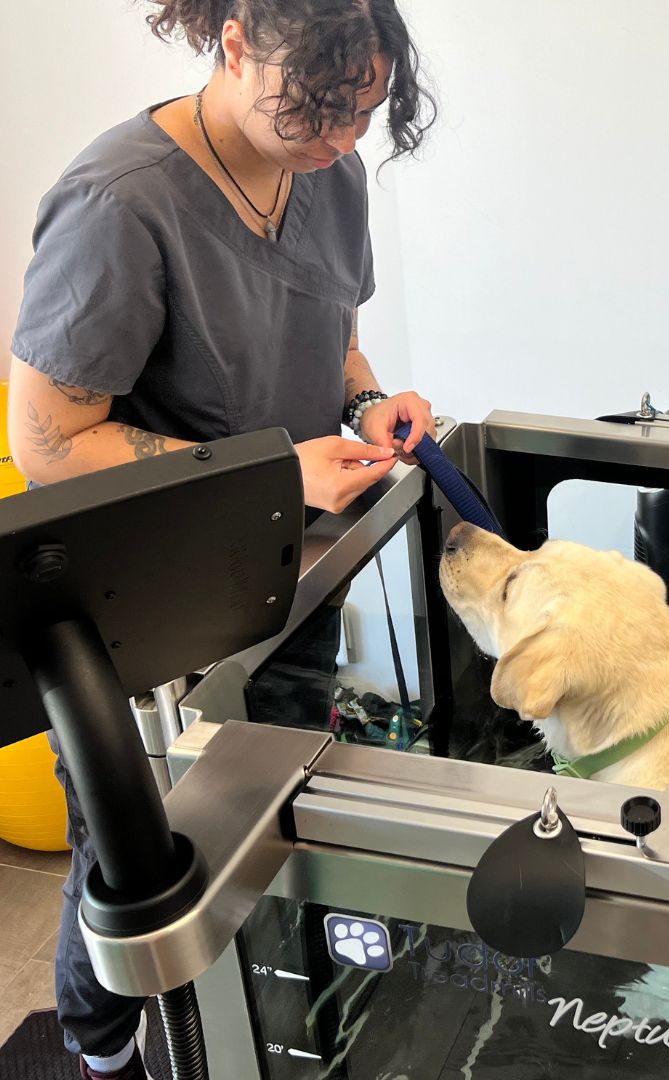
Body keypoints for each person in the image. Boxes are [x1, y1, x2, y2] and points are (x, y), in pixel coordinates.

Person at [6, 2, 436, 1077]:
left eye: (363, 114)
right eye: (320, 111)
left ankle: (271, 1020)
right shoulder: (121, 202)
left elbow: (328, 320)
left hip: (280, 576)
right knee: (134, 860)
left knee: (261, 825)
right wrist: (268, 474)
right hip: (139, 616)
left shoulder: (324, 169)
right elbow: (51, 442)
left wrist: (367, 398)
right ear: (235, 43)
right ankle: (101, 1052)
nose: (341, 140)